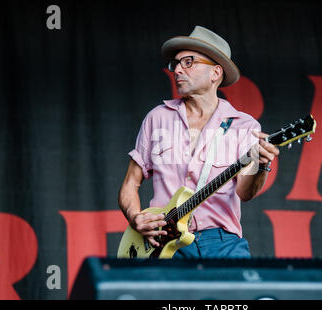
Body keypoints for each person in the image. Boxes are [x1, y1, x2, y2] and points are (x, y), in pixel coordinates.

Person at [118, 26, 279, 258]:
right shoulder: (157, 118)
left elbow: (245, 192)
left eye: (189, 62)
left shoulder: (244, 126)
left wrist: (262, 164)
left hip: (222, 244)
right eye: (176, 63)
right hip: (164, 242)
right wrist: (135, 218)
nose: (178, 70)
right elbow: (129, 184)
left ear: (215, 72)